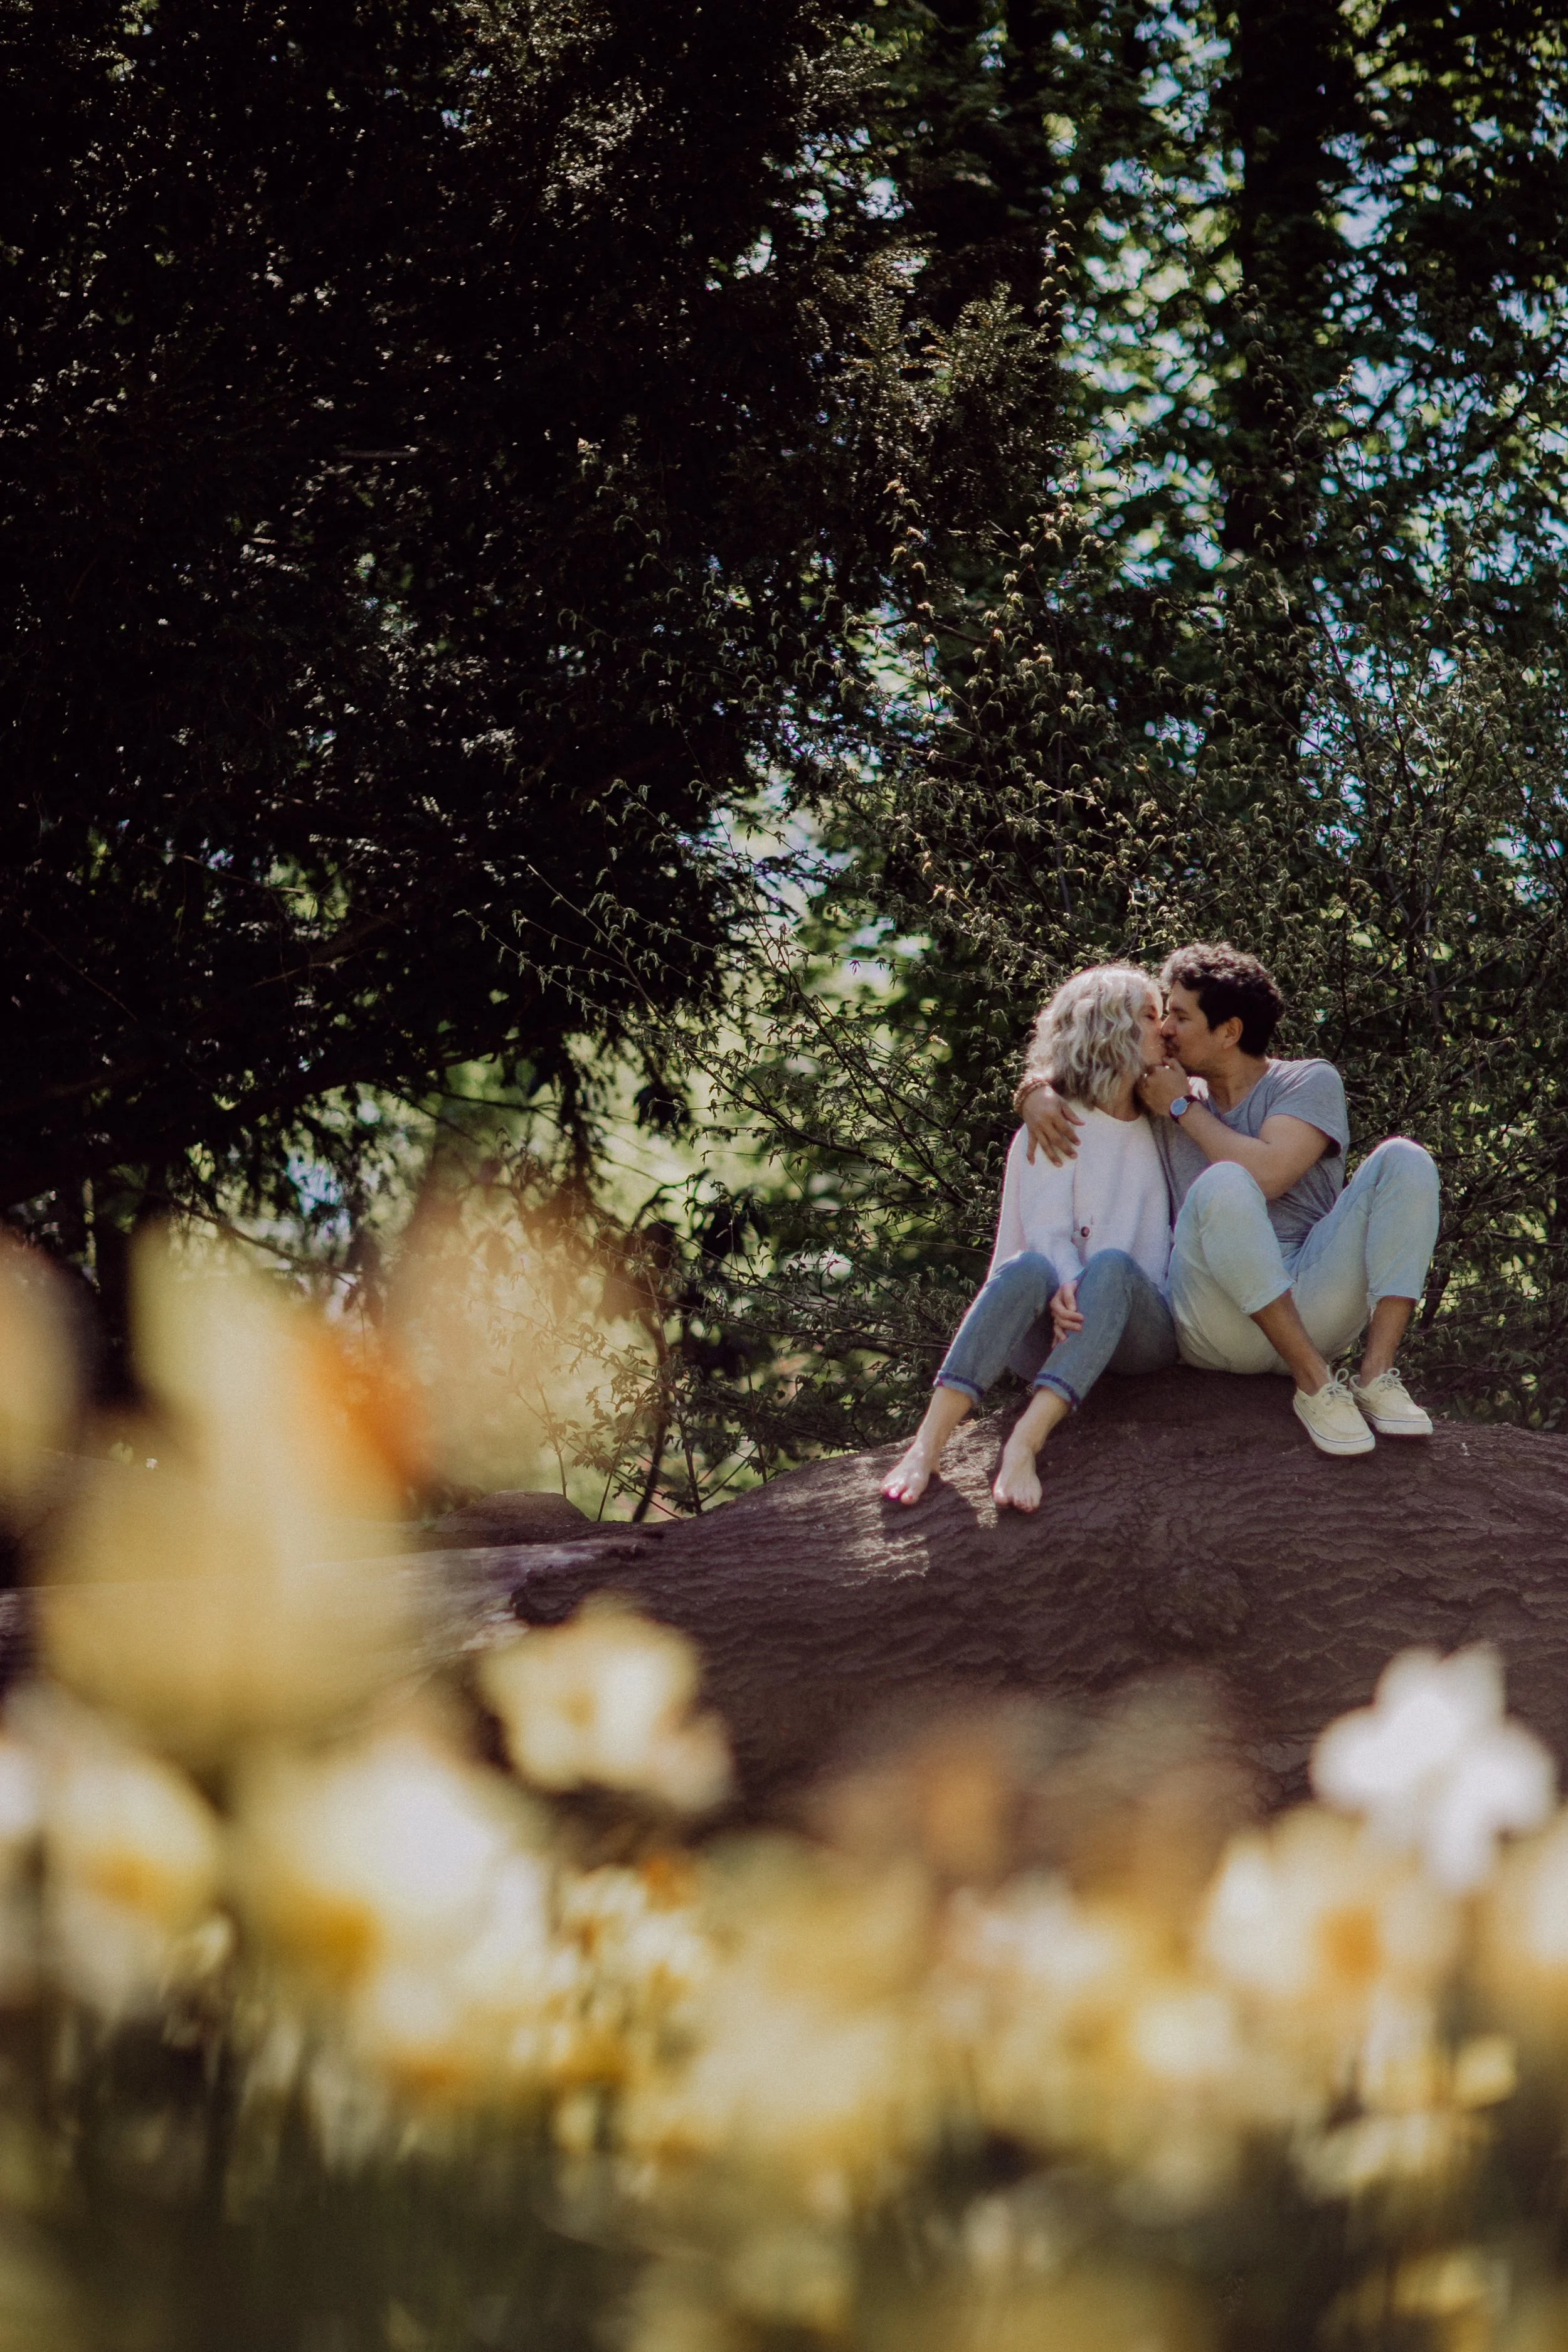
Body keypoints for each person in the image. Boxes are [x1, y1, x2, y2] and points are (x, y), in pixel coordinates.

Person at [1019, 942, 1440, 1458]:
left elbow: (1269, 1175)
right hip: (1215, 1320)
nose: (1165, 1029)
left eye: (1179, 1015)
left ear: (1229, 1033)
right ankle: (1315, 1384)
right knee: (1222, 1184)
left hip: (1312, 1300)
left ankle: (1375, 1377)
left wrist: (1182, 1109)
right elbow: (1088, 1058)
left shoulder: (1305, 1081)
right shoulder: (1163, 1091)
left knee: (1406, 1158)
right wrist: (1034, 1091)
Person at [882, 965, 1178, 1515]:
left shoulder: (1170, 1117)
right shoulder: (1055, 1121)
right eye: (1150, 1016)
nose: (1165, 1030)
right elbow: (1045, 1233)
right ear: (1109, 1028)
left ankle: (1025, 1442)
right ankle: (927, 1443)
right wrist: (1067, 1288)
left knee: (1111, 1265)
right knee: (1025, 1267)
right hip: (1052, 1327)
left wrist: (1031, 1088)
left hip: (1141, 1331)